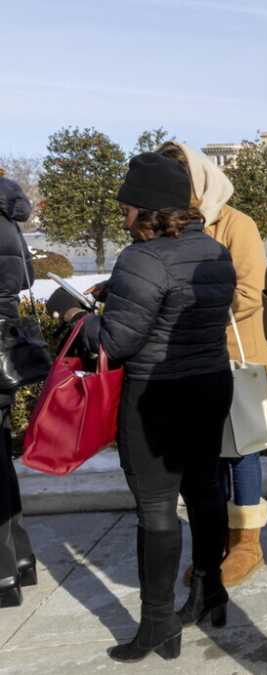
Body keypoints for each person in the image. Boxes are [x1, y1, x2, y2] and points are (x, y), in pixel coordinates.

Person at [63, 153, 236, 662]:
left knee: (157, 508)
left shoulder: (140, 258)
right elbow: (189, 307)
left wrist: (73, 313)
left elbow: (115, 342)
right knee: (205, 491)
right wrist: (122, 293)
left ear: (146, 208)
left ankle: (159, 622)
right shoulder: (212, 249)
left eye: (126, 205)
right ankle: (210, 594)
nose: (121, 214)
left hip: (156, 397)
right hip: (209, 385)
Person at [157, 142, 267, 585]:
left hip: (237, 357)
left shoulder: (237, 225)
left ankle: (247, 543)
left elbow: (251, 293)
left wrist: (190, 309)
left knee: (241, 448)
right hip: (188, 359)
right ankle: (213, 539)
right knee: (206, 453)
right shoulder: (166, 227)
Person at [0, 172, 36, 609]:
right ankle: (18, 559)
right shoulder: (8, 217)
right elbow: (27, 274)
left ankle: (6, 569)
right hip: (5, 347)